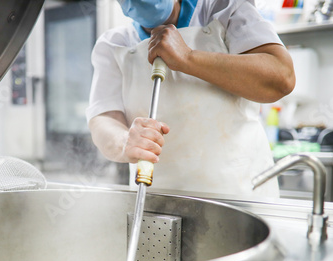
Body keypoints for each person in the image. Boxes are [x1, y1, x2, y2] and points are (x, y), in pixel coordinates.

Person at [86, 0, 295, 197]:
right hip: (156, 206)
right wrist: (124, 142)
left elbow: (281, 77)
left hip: (240, 198)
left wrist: (188, 58)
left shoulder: (223, 9)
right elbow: (103, 119)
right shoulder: (114, 44)